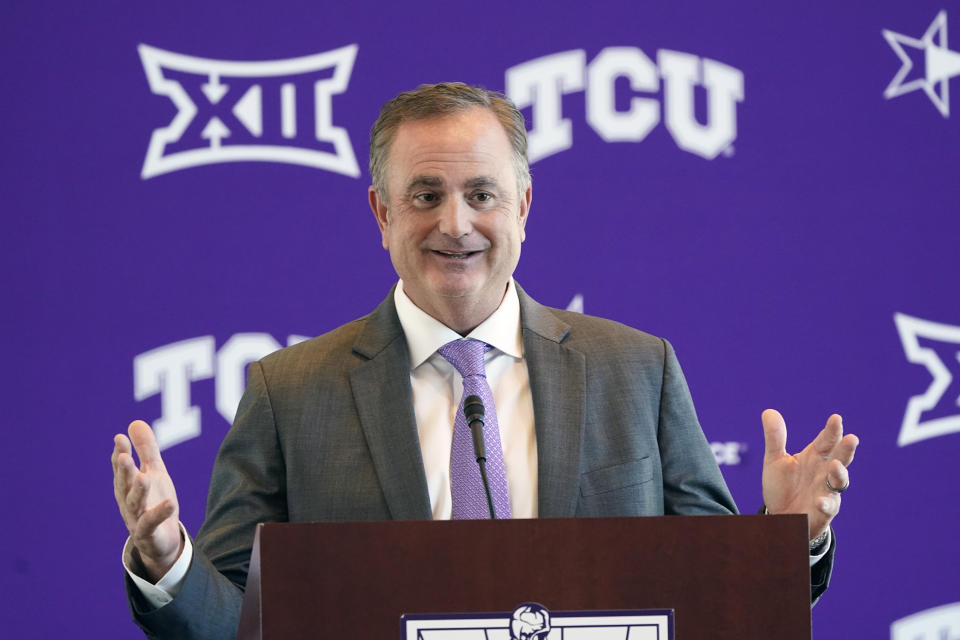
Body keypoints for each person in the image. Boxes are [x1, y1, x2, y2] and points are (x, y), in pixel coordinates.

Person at [112, 82, 859, 639]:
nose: (455, 223)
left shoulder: (638, 370)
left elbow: (714, 599)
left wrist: (787, 540)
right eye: (426, 195)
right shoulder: (290, 392)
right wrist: (169, 560)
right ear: (382, 212)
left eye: (481, 194)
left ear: (524, 207)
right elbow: (232, 625)